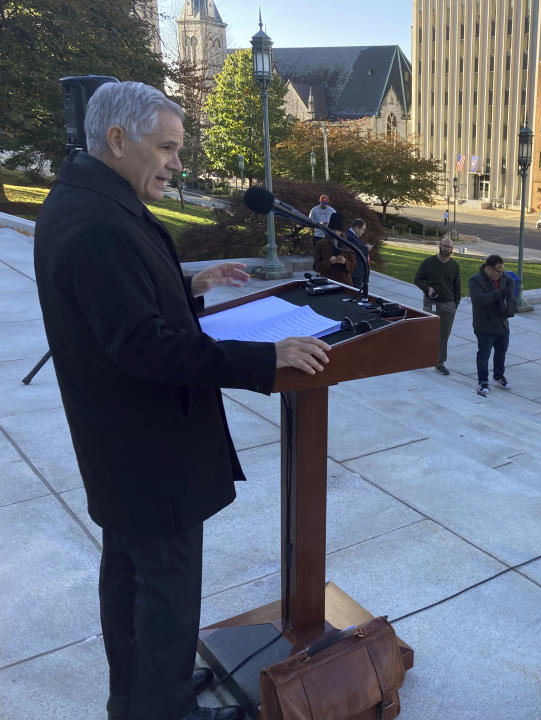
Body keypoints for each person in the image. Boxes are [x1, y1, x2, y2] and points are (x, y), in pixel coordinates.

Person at [33, 82, 330, 720]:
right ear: (118, 140)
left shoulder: (87, 198)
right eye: (166, 148)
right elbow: (144, 346)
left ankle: (142, 693)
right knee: (163, 589)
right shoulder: (97, 224)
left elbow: (118, 305)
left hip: (126, 446)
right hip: (148, 448)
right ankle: (160, 708)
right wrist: (264, 357)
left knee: (132, 580)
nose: (176, 162)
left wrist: (187, 282)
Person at [469, 254, 516, 396]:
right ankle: (483, 381)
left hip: (502, 325)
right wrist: (498, 294)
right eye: (498, 271)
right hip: (484, 326)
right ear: (488, 268)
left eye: (502, 271)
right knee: (484, 355)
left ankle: (498, 375)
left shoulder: (504, 278)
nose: (501, 274)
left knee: (501, 353)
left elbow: (511, 292)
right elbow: (478, 300)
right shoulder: (476, 280)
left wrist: (510, 308)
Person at [414, 235, 461, 375]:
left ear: (452, 249)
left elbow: (457, 287)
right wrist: (427, 288)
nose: (446, 249)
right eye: (444, 246)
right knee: (427, 330)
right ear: (440, 246)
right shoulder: (429, 262)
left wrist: (455, 304)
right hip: (431, 302)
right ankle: (418, 357)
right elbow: (417, 279)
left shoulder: (454, 266)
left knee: (443, 336)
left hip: (448, 305)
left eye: (449, 247)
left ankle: (439, 362)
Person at [313, 213, 356, 286]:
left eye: (338, 231)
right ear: (329, 230)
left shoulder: (348, 245)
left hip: (345, 283)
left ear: (341, 231)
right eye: (333, 230)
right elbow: (316, 267)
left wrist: (345, 262)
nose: (336, 233)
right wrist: (329, 262)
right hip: (327, 283)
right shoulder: (320, 244)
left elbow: (354, 267)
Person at [347, 218, 371, 289]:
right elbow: (356, 253)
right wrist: (367, 249)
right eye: (363, 230)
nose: (363, 232)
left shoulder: (352, 236)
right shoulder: (350, 237)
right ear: (357, 228)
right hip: (355, 273)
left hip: (358, 272)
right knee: (354, 292)